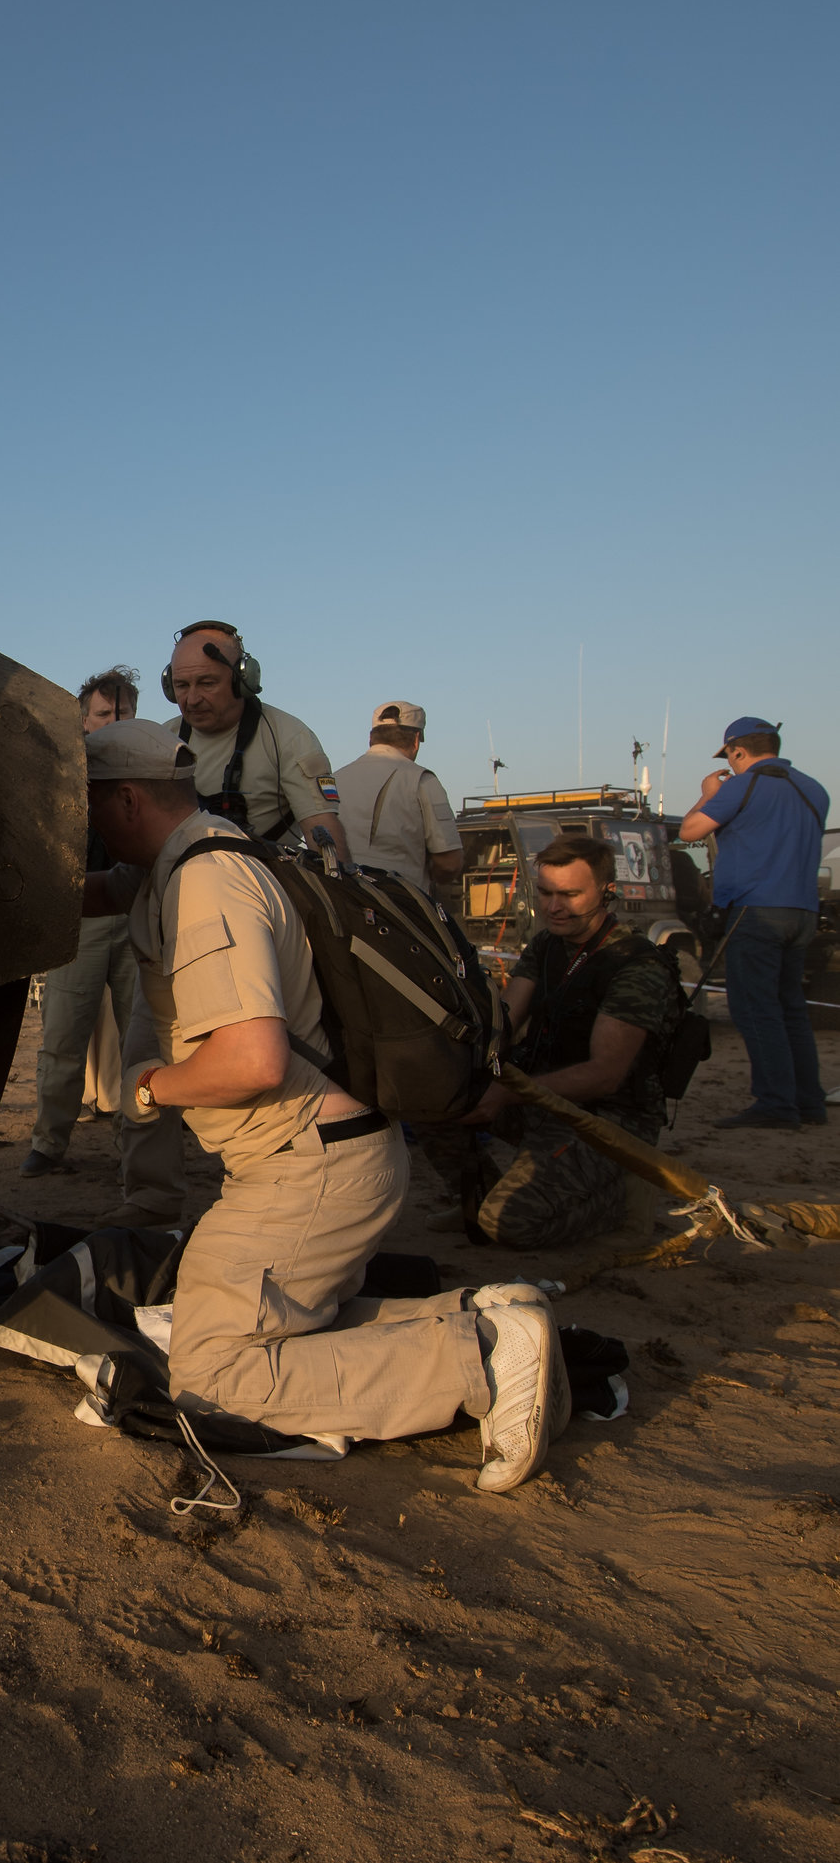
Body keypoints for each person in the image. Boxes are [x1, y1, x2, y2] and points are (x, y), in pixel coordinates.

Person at [80, 719, 559, 1491]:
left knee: (213, 1375)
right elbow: (100, 892)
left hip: (306, 1172)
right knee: (254, 1321)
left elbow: (252, 1059)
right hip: (324, 1158)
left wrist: (146, 1087)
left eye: (89, 805)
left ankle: (483, 1354)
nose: (83, 823)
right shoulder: (193, 853)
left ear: (128, 800)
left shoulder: (207, 883)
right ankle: (484, 1309)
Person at [102, 623, 346, 1226]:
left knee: (271, 1063)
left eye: (207, 683)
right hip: (169, 934)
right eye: (180, 686)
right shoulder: (160, 743)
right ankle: (151, 1197)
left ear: (242, 678)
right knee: (143, 1061)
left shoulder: (288, 739)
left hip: (252, 924)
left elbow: (328, 840)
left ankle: (288, 1176)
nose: (191, 699)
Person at [422, 836, 681, 1247]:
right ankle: (479, 1197)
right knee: (432, 1100)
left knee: (510, 1226)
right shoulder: (547, 945)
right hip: (541, 1098)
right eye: (546, 893)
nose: (555, 907)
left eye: (571, 895)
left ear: (606, 892)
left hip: (609, 1120)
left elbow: (604, 1076)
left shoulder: (634, 964)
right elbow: (505, 1021)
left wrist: (505, 1095)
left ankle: (621, 1199)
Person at [679, 718, 829, 1129]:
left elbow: (688, 830)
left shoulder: (740, 788)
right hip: (802, 911)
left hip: (756, 911)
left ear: (737, 752)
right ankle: (808, 1102)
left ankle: (777, 1105)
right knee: (790, 1008)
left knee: (755, 1008)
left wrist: (708, 794)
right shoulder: (815, 789)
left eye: (729, 754)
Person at [24, 667, 144, 1178]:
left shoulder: (148, 768)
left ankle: (134, 1144)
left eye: (124, 714)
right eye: (104, 714)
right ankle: (48, 1145)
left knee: (140, 1039)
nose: (115, 723)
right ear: (83, 718)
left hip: (135, 915)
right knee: (63, 1037)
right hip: (83, 921)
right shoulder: (62, 768)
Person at [334, 701, 463, 898]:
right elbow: (449, 863)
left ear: (371, 738)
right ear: (416, 739)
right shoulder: (422, 780)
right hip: (400, 909)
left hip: (338, 900)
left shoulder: (334, 779)